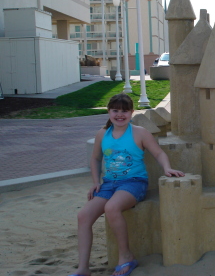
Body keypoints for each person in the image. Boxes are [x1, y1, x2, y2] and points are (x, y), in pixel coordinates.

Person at [69, 93, 184, 276]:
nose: (119, 115)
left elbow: (159, 153)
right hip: (109, 184)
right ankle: (83, 268)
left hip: (134, 183)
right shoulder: (102, 134)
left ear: (131, 112)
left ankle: (126, 257)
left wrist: (167, 168)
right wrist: (95, 182)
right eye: (115, 110)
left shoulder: (140, 133)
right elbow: (95, 158)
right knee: (83, 216)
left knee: (112, 207)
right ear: (109, 111)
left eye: (124, 111)